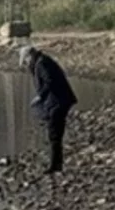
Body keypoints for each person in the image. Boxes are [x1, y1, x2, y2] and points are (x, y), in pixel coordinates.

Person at [19, 44, 76, 173]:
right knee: (54, 132)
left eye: (25, 61)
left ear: (29, 56)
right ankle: (56, 164)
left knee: (54, 134)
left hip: (59, 101)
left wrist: (40, 96)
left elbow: (49, 81)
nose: (26, 65)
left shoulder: (42, 63)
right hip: (57, 100)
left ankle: (55, 166)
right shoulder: (42, 61)